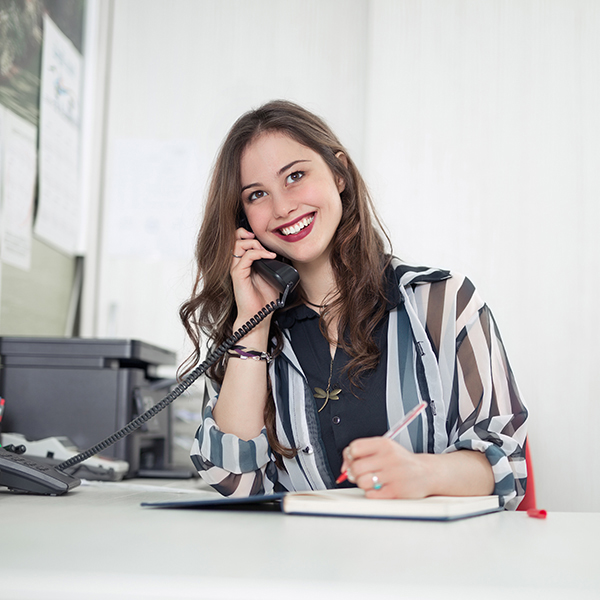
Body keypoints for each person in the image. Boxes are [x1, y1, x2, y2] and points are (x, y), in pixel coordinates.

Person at [180, 100, 528, 509]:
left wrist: (422, 473)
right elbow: (233, 482)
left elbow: (506, 466)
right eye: (257, 195)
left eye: (295, 175)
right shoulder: (249, 332)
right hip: (304, 565)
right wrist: (254, 326)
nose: (282, 207)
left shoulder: (444, 302)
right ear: (244, 221)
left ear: (339, 173)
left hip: (429, 563)